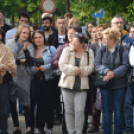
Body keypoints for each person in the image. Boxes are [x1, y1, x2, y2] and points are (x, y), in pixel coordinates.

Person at [58, 32, 94, 134]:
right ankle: (70, 131)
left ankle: (79, 132)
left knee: (80, 111)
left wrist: (81, 71)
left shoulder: (89, 52)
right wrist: (77, 70)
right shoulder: (66, 50)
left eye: (75, 42)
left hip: (82, 86)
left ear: (82, 44)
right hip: (67, 85)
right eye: (72, 41)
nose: (72, 43)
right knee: (68, 111)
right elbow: (62, 66)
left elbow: (91, 68)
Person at [95, 27, 129, 134]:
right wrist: (107, 71)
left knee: (119, 111)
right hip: (106, 84)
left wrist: (113, 74)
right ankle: (107, 132)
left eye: (105, 38)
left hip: (120, 85)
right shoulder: (101, 49)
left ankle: (118, 132)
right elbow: (97, 65)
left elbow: (125, 66)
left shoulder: (122, 49)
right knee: (106, 111)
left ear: (113, 40)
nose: (103, 40)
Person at [25, 30, 56, 134]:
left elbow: (57, 62)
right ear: (33, 40)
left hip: (49, 81)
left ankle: (50, 128)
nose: (38, 39)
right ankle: (39, 128)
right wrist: (34, 69)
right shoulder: (31, 51)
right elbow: (28, 68)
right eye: (36, 38)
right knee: (39, 106)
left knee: (49, 105)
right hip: (35, 82)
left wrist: (46, 67)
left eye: (40, 37)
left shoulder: (51, 49)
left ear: (44, 38)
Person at [6, 24, 35, 134]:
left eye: (28, 33)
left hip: (25, 76)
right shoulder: (10, 43)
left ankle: (28, 128)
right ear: (19, 32)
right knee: (13, 102)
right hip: (12, 75)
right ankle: (16, 127)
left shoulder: (30, 45)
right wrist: (21, 61)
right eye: (24, 32)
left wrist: (24, 54)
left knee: (26, 102)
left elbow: (30, 61)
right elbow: (7, 60)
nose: (26, 35)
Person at [111, 15, 134, 134]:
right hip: (111, 78)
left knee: (127, 103)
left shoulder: (129, 40)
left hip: (126, 77)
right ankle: (118, 127)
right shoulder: (109, 39)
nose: (119, 24)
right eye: (116, 23)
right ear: (112, 25)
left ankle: (129, 127)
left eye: (121, 22)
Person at [88, 24, 109, 133]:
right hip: (94, 78)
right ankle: (94, 124)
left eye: (102, 30)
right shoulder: (93, 46)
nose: (99, 32)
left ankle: (106, 125)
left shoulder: (109, 45)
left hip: (107, 77)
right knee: (94, 103)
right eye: (97, 31)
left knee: (106, 103)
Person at [0, 30, 16, 134]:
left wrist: (2, 66)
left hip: (3, 83)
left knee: (3, 109)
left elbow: (12, 67)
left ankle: (4, 130)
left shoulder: (6, 49)